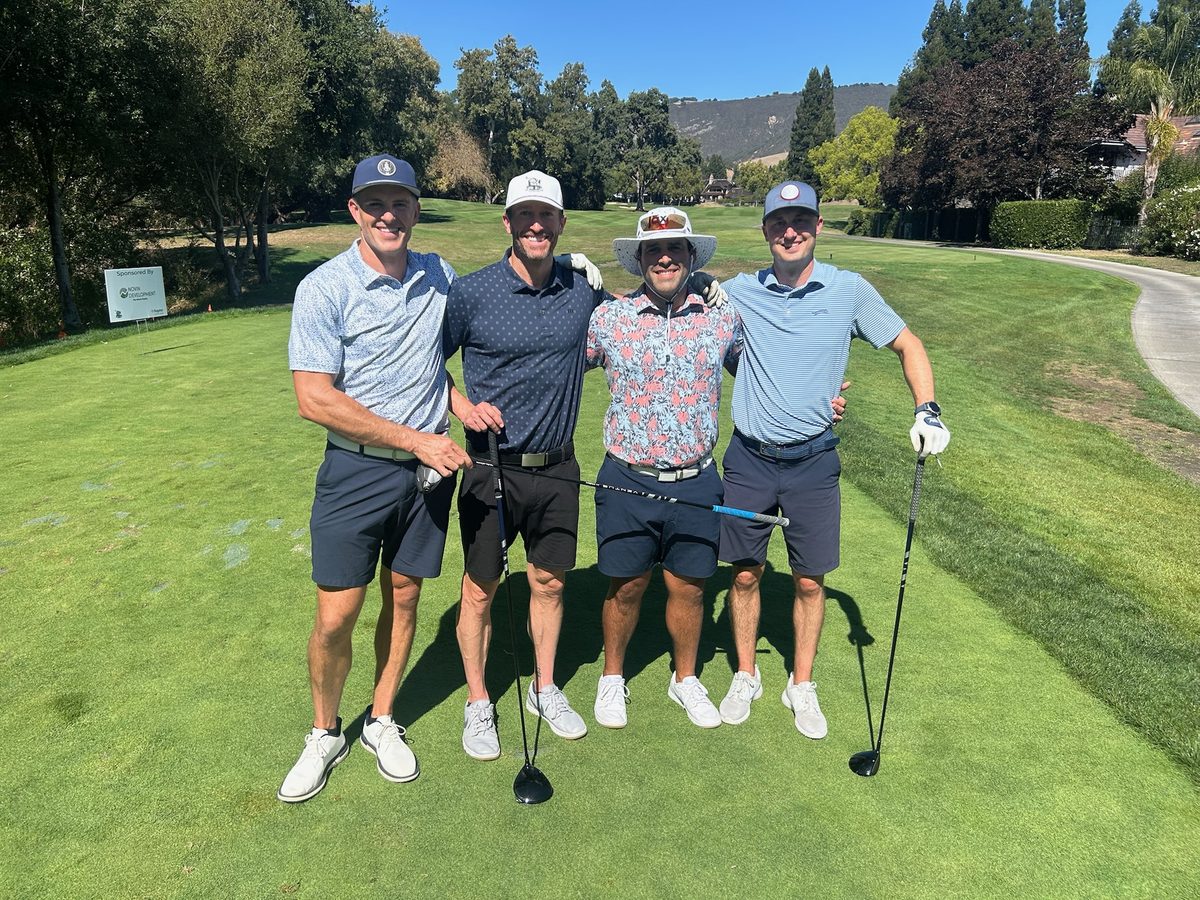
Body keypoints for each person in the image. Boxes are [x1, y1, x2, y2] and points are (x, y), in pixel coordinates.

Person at [443, 171, 726, 758]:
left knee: (548, 584)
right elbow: (423, 362)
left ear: (561, 223)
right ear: (509, 223)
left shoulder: (586, 297)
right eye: (525, 215)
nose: (536, 225)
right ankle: (477, 703)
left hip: (558, 469)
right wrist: (462, 405)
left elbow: (655, 305)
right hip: (490, 468)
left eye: (546, 215)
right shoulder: (471, 293)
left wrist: (709, 286)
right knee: (479, 590)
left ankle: (545, 688)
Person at [716, 180, 950, 737]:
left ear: (818, 227)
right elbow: (680, 300)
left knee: (809, 581)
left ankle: (801, 683)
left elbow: (907, 345)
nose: (789, 231)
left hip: (814, 464)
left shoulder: (849, 291)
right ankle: (746, 674)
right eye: (779, 223)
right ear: (766, 230)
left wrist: (929, 409)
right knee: (745, 575)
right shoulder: (739, 292)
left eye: (800, 222)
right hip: (749, 459)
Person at [279, 154, 472, 803]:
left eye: (401, 203)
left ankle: (382, 720)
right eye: (376, 203)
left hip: (426, 476)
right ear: (355, 211)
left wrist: (458, 404)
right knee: (337, 616)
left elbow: (428, 367)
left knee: (407, 597)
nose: (389, 214)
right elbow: (314, 398)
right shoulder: (325, 288)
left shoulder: (440, 275)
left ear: (416, 209)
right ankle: (325, 731)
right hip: (355, 470)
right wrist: (415, 438)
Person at [587, 207, 740, 729]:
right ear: (641, 260)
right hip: (628, 477)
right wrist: (565, 270)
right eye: (654, 250)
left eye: (676, 249)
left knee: (691, 587)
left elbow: (762, 372)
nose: (665, 258)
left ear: (691, 257)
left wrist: (820, 402)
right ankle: (612, 676)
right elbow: (549, 357)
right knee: (625, 586)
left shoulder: (722, 316)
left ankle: (685, 678)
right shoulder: (608, 319)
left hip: (696, 479)